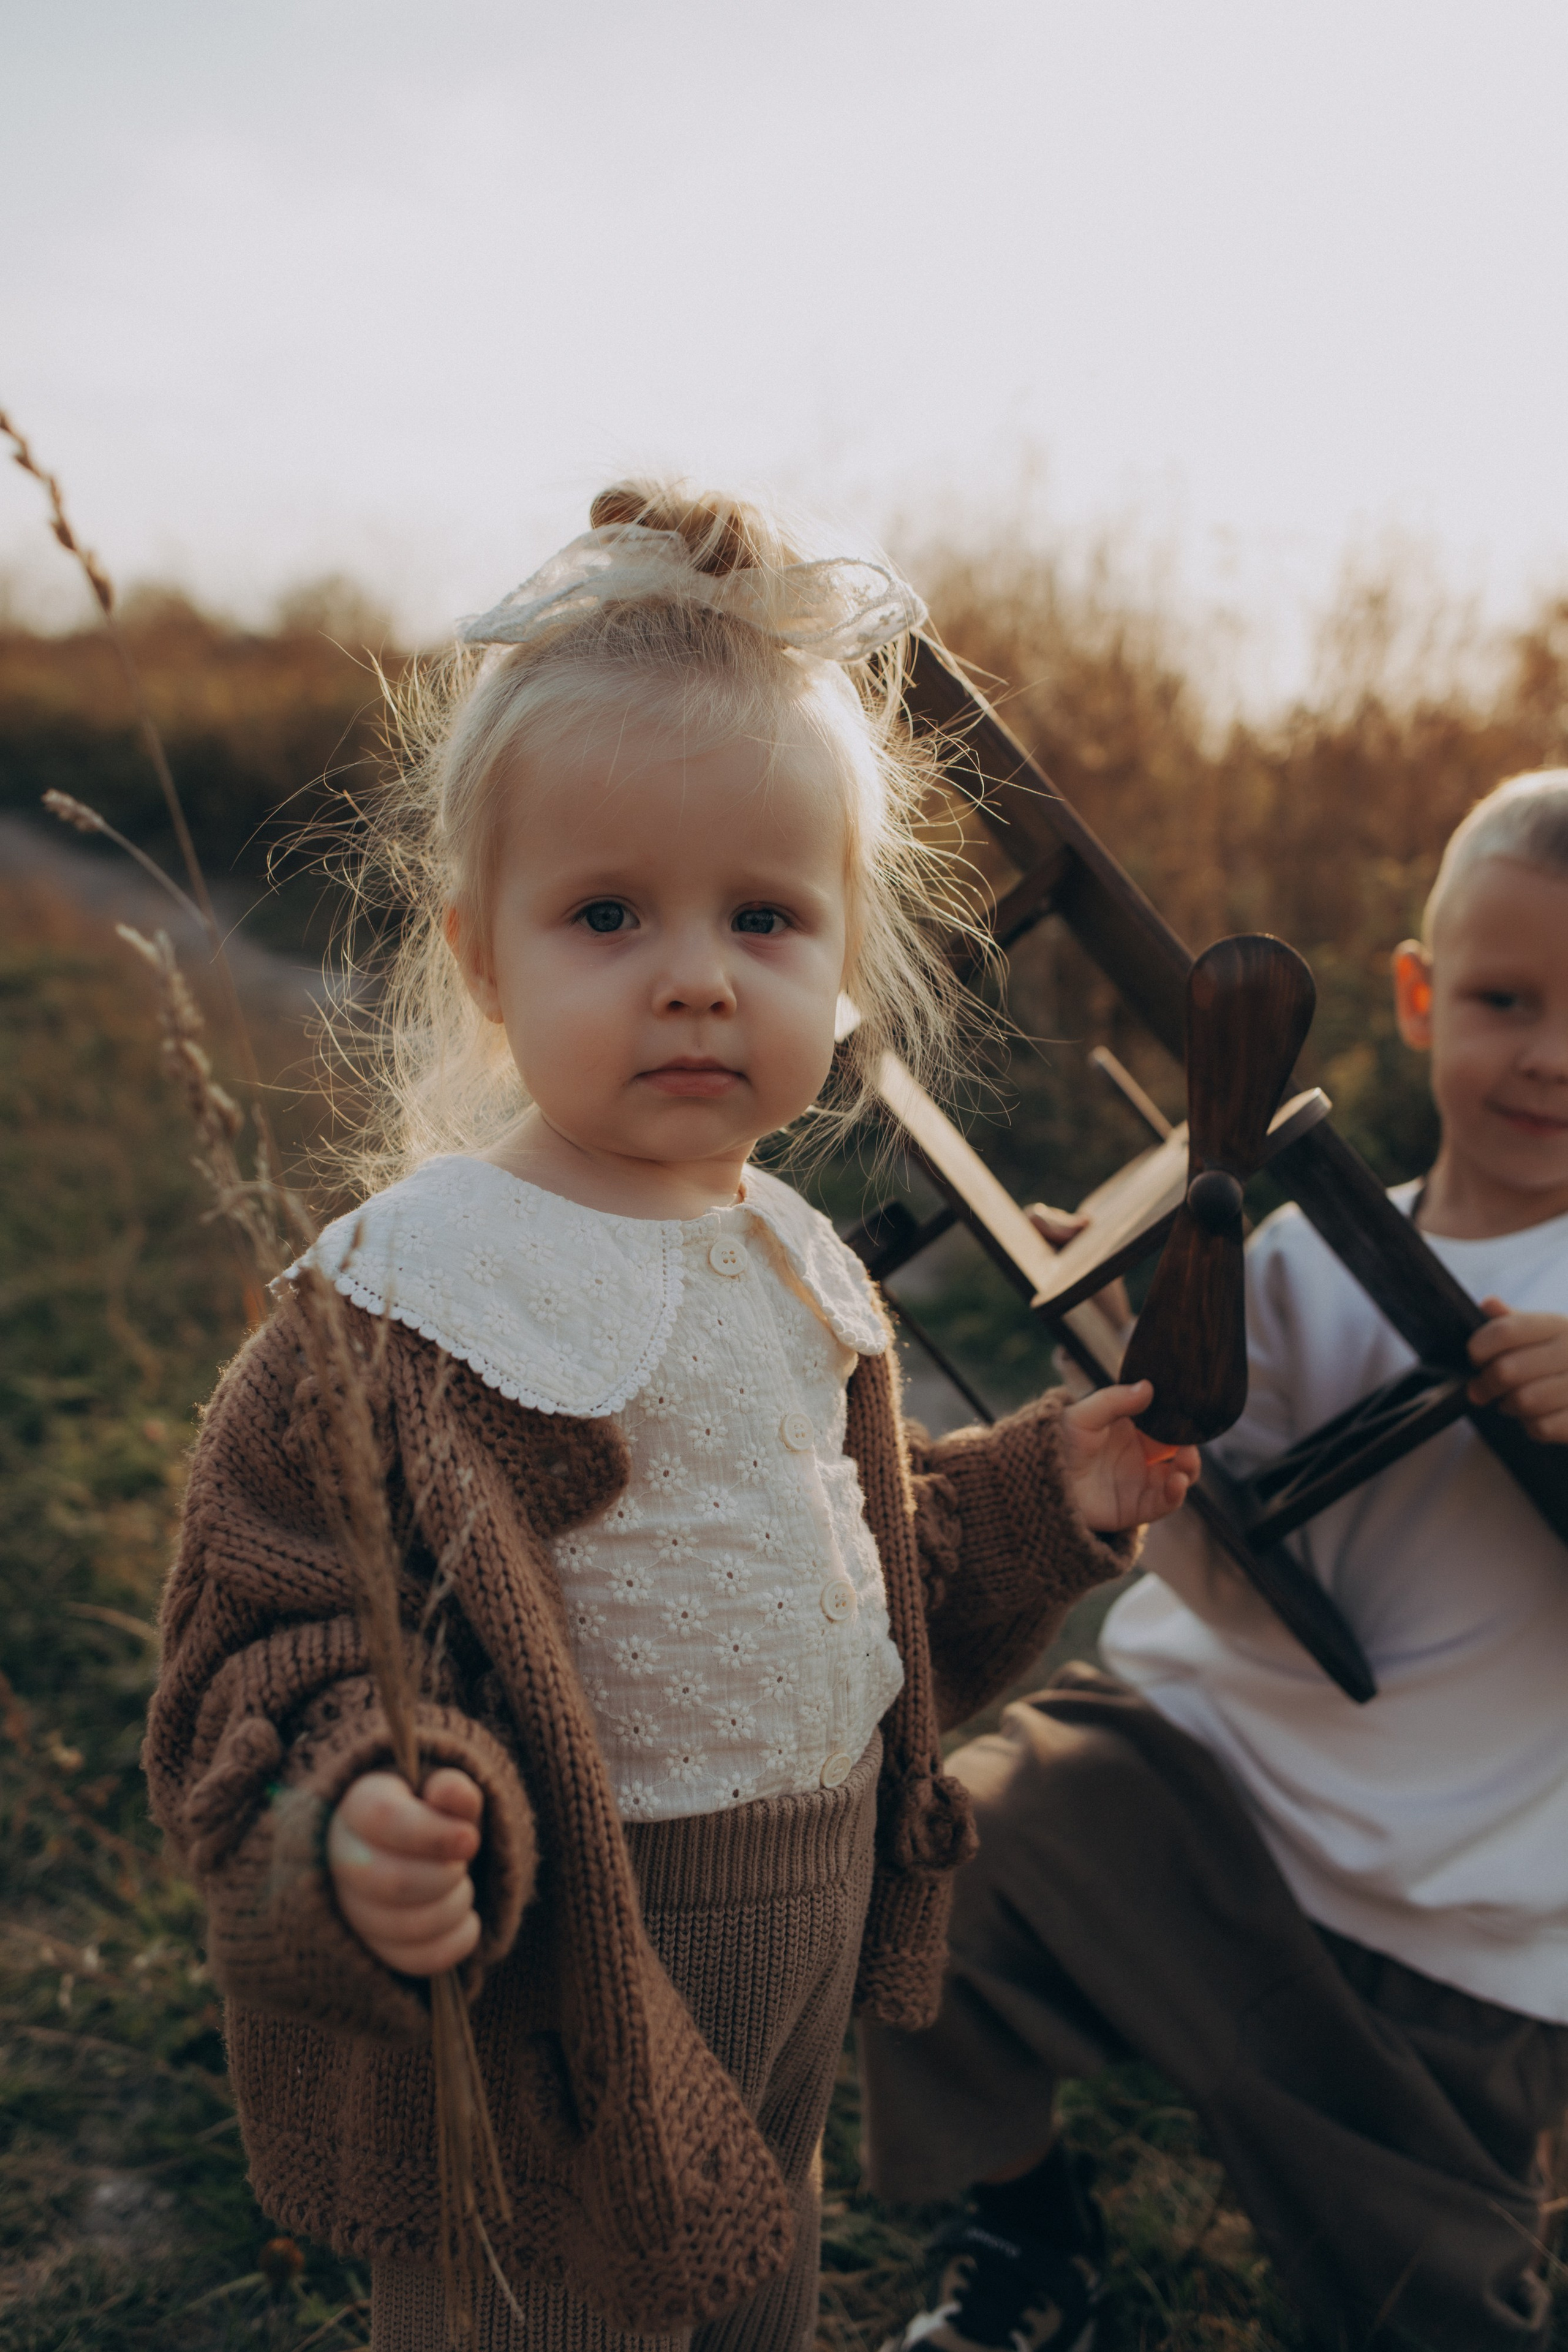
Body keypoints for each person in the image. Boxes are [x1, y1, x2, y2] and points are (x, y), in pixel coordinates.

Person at [143, 483, 1198, 2352]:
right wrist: (359, 1822)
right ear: (485, 956)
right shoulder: (412, 1298)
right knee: (536, 2311)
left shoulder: (801, 1267)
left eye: (767, 916)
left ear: (845, 964)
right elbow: (268, 1648)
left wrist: (1055, 1488)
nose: (698, 969)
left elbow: (861, 1575)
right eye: (610, 912)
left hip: (790, 1936)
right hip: (555, 1985)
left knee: (747, 2281)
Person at [864, 768, 1568, 2352]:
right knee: (926, 1879)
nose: (1553, 1055)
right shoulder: (1311, 1242)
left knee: (1431, 2309)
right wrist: (1130, 1331)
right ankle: (1029, 2244)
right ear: (1416, 995)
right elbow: (1208, 1523)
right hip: (1202, 1783)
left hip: (1454, 1924)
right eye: (1508, 998)